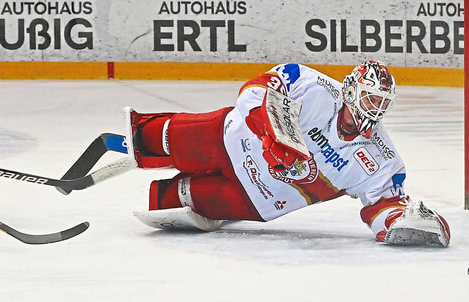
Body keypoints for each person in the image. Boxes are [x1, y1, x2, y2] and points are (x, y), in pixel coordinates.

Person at [126, 61, 451, 246]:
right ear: (350, 90)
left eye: (381, 103)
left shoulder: (383, 159)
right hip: (229, 139)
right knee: (153, 137)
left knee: (165, 203)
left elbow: (384, 203)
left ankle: (172, 191)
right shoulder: (311, 85)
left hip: (254, 198)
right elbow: (255, 90)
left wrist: (400, 220)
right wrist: (271, 132)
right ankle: (143, 142)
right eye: (370, 99)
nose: (374, 109)